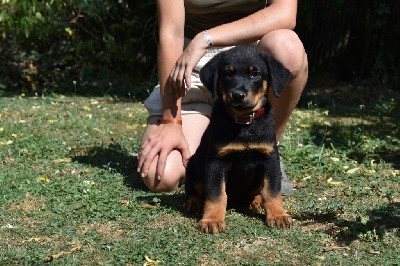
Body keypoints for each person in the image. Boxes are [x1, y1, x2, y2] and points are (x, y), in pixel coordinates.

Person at [137, 0, 308, 193]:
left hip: (251, 61)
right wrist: (171, 121)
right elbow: (171, 33)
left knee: (287, 47)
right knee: (162, 176)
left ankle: (266, 154)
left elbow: (284, 14)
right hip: (191, 68)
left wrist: (206, 38)